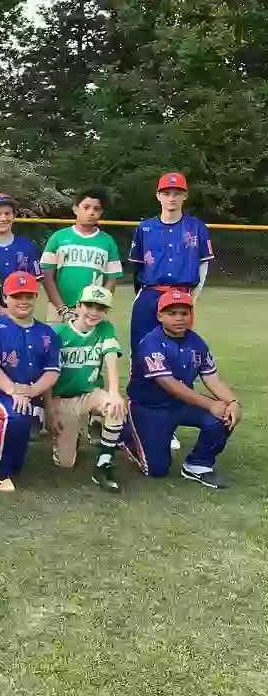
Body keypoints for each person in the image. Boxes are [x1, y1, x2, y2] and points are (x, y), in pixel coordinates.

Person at [123, 289, 240, 488]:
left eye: (184, 313)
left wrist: (233, 402)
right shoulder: (151, 343)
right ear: (160, 316)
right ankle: (127, 434)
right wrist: (210, 404)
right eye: (172, 313)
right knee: (156, 470)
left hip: (181, 403)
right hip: (150, 408)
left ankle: (198, 465)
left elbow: (212, 379)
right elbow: (169, 384)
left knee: (224, 416)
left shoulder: (196, 342)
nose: (179, 318)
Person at [0, 272, 61, 493]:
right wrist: (13, 391)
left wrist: (30, 390)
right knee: (15, 414)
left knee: (17, 461)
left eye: (28, 296)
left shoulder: (47, 332)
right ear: (6, 296)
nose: (23, 301)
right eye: (17, 295)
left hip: (27, 392)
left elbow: (51, 372)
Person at [44, 285, 126, 492]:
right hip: (61, 399)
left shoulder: (105, 328)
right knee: (65, 464)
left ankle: (103, 465)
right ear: (78, 306)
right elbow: (45, 374)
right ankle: (75, 433)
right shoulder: (57, 333)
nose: (94, 312)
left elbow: (110, 359)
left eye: (100, 308)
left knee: (116, 407)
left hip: (90, 393)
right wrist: (49, 410)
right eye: (89, 305)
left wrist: (114, 392)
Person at [128, 172, 213, 350]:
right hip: (149, 294)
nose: (172, 198)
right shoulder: (145, 228)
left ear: (185, 195)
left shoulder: (197, 227)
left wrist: (192, 297)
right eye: (166, 193)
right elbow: (137, 268)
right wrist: (141, 294)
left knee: (176, 349)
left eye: (177, 193)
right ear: (158, 196)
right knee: (141, 347)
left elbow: (203, 264)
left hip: (181, 294)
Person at [41, 187, 122, 323]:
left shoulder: (107, 241)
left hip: (92, 310)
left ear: (101, 212)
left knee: (90, 344)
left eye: (96, 209)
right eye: (86, 207)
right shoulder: (59, 237)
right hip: (59, 309)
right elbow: (47, 276)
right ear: (75, 209)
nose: (91, 212)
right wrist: (62, 309)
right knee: (56, 343)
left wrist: (100, 306)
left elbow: (112, 279)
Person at [0, 192, 42, 315]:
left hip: (21, 314)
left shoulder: (27, 246)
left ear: (14, 215)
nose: (3, 218)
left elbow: (35, 283)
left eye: (7, 213)